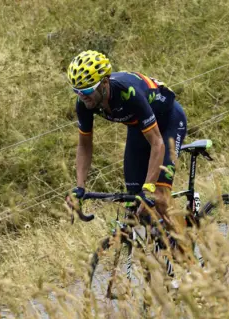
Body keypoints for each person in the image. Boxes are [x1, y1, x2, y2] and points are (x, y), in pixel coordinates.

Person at [66, 50, 187, 223]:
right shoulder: (84, 102)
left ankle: (183, 246)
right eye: (77, 90)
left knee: (158, 196)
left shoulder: (129, 94)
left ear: (105, 83)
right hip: (139, 127)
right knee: (134, 199)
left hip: (168, 122)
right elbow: (84, 145)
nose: (82, 95)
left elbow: (157, 143)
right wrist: (79, 187)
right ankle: (154, 244)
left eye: (87, 89)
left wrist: (149, 188)